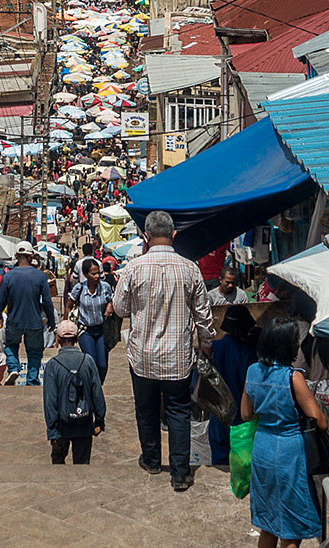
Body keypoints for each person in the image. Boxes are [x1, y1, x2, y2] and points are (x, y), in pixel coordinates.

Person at [113, 210, 214, 492]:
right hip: (178, 358)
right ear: (174, 235)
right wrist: (207, 344)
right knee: (179, 412)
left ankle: (152, 460)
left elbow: (120, 308)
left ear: (146, 236)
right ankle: (180, 473)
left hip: (143, 357)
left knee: (145, 410)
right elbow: (204, 316)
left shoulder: (133, 268)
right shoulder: (190, 268)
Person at [241, 316, 326, 548]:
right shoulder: (293, 377)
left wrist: (267, 411)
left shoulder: (252, 372)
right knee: (291, 526)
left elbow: (246, 413)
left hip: (263, 448)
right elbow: (319, 420)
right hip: (289, 452)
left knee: (268, 523)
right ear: (287, 345)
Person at [42, 320, 106, 465]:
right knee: (82, 464)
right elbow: (97, 393)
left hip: (61, 426)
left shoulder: (53, 365)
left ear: (57, 338)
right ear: (77, 338)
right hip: (84, 423)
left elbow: (50, 400)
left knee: (58, 463)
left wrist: (52, 431)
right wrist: (99, 421)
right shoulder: (88, 360)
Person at [0, 241, 56, 386]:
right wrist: (51, 321)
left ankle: (14, 368)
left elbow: (0, 300)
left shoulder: (8, 277)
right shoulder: (40, 276)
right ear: (31, 256)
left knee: (10, 345)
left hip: (14, 320)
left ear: (16, 256)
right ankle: (32, 380)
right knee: (34, 352)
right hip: (34, 321)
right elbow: (47, 301)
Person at [207, 305, 259, 466]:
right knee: (241, 458)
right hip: (241, 416)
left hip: (218, 413)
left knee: (219, 455)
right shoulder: (249, 354)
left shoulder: (213, 349)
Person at [66, 259, 113, 384]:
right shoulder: (79, 288)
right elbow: (68, 306)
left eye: (98, 273)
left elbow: (111, 300)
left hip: (102, 330)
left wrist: (109, 306)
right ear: (86, 275)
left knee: (102, 364)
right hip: (85, 331)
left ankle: (98, 386)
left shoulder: (105, 288)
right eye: (93, 274)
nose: (97, 276)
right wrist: (66, 326)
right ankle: (90, 388)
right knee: (91, 361)